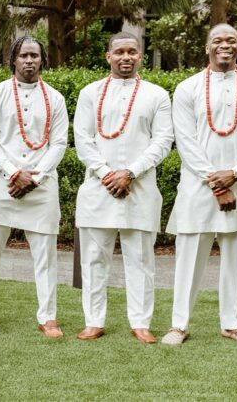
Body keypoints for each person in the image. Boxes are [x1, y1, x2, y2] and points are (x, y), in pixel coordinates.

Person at [161, 24, 237, 348]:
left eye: (231, 40)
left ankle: (233, 324)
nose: (224, 45)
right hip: (198, 188)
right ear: (206, 47)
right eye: (218, 40)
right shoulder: (188, 88)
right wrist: (217, 183)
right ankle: (179, 325)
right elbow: (185, 141)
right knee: (188, 256)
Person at [73, 32, 173, 343]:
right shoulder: (90, 93)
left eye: (132, 52)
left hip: (139, 189)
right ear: (108, 57)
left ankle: (141, 322)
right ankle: (94, 320)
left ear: (141, 56)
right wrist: (107, 174)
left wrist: (130, 172)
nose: (125, 57)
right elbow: (82, 140)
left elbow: (163, 141)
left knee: (141, 259)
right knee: (93, 258)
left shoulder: (157, 95)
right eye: (119, 52)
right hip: (98, 189)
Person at [0, 36, 68, 338]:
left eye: (35, 56)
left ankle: (48, 317)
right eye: (24, 55)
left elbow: (59, 143)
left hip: (41, 188)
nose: (29, 61)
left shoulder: (55, 98)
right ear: (13, 59)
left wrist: (35, 178)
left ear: (42, 60)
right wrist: (14, 173)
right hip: (2, 185)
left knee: (46, 257)